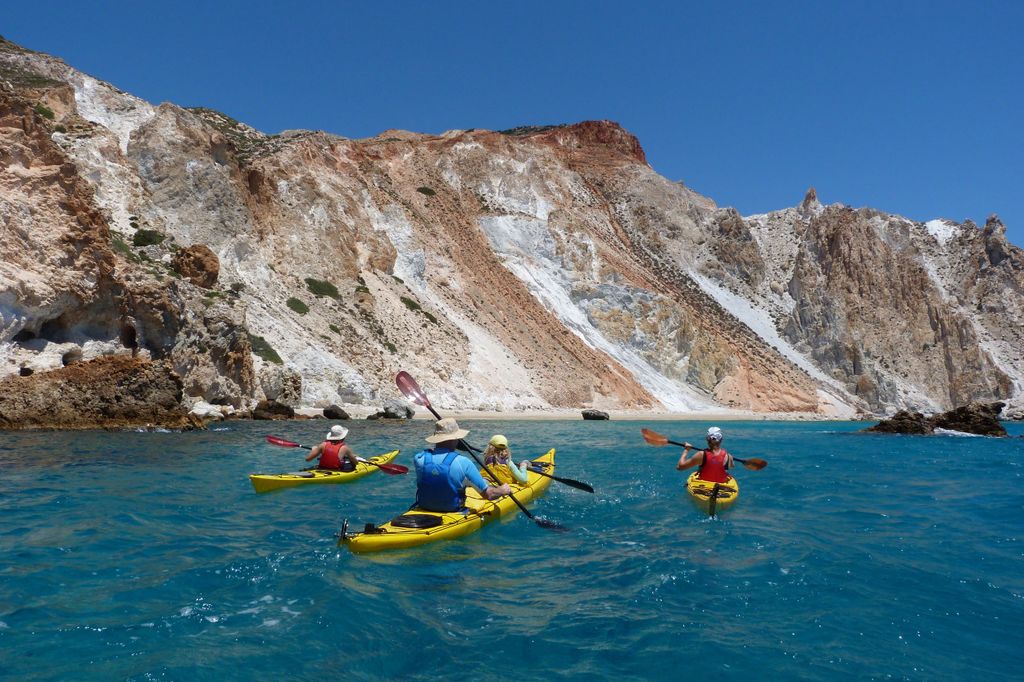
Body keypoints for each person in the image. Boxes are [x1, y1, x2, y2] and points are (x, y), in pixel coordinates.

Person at [413, 418, 511, 512]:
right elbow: (488, 494)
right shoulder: (464, 462)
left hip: (424, 506)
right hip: (452, 510)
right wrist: (502, 490)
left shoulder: (419, 459)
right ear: (456, 439)